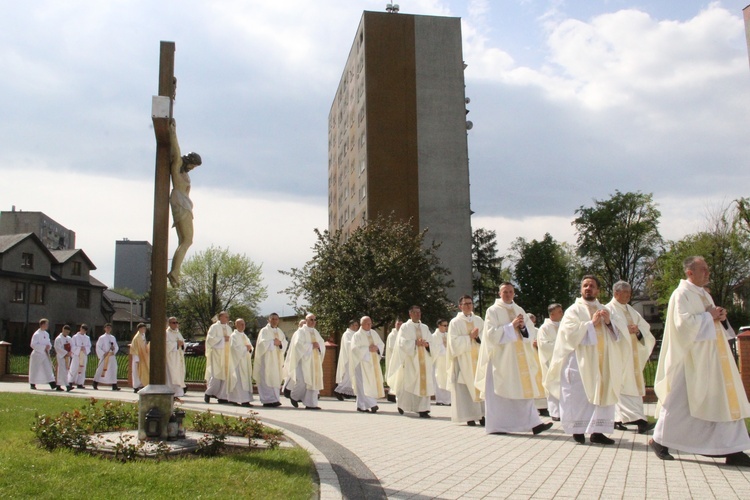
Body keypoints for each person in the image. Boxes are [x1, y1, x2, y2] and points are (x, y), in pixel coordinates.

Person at [650, 256, 750, 466]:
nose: (708, 273)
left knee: (724, 401)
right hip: (691, 360)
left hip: (714, 358)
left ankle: (732, 449)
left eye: (707, 269)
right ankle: (659, 440)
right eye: (703, 269)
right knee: (679, 401)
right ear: (690, 273)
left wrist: (720, 316)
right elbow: (682, 325)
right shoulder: (681, 294)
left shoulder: (704, 294)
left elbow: (710, 320)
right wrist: (709, 316)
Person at [544, 275, 625, 445]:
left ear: (598, 290)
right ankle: (577, 429)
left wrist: (609, 322)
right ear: (581, 289)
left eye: (592, 286)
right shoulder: (574, 310)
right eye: (585, 286)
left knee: (603, 394)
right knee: (579, 396)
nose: (588, 288)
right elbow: (568, 334)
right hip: (580, 361)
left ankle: (598, 431)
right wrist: (590, 324)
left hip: (602, 361)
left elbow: (620, 334)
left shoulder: (605, 309)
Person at [475, 283, 551, 436]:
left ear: (514, 293)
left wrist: (522, 327)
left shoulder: (519, 309)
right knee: (501, 393)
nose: (508, 294)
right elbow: (490, 334)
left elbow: (529, 330)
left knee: (523, 389)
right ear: (499, 293)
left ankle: (534, 423)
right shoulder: (493, 310)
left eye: (510, 292)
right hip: (501, 359)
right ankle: (497, 426)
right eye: (505, 292)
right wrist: (511, 326)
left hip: (519, 358)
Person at [606, 281, 656, 434]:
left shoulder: (631, 310)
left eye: (629, 293)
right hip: (618, 355)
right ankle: (639, 420)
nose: (628, 296)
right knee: (622, 386)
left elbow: (645, 327)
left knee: (629, 385)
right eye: (625, 293)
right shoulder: (608, 310)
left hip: (632, 356)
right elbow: (607, 331)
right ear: (616, 293)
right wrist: (625, 331)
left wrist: (638, 331)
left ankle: (618, 419)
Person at [167, 118, 202, 288]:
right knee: (187, 240)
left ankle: (175, 270)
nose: (193, 168)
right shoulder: (178, 165)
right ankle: (174, 271)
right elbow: (176, 149)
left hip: (183, 202)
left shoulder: (184, 171)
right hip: (180, 202)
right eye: (193, 165)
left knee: (184, 239)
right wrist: (173, 132)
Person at [387, 306, 436, 418]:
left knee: (423, 384)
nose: (418, 314)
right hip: (410, 361)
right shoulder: (405, 327)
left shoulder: (425, 327)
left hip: (424, 361)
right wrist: (415, 343)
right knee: (408, 384)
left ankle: (423, 409)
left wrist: (427, 345)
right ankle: (403, 405)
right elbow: (401, 343)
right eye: (415, 312)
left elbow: (432, 342)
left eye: (419, 312)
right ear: (410, 314)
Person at [447, 295, 484, 426]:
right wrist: (469, 337)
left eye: (470, 303)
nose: (468, 306)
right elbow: (453, 343)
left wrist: (477, 337)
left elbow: (485, 338)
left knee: (480, 385)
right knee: (465, 389)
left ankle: (483, 415)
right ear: (460, 306)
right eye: (465, 304)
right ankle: (469, 416)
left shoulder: (479, 320)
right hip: (463, 361)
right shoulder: (455, 322)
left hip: (478, 358)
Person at [283, 313, 326, 409]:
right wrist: (311, 346)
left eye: (314, 320)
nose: (313, 322)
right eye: (311, 319)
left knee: (313, 382)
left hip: (314, 362)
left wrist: (319, 346)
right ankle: (294, 397)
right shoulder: (301, 332)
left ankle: (311, 404)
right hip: (302, 362)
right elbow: (298, 344)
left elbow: (321, 343)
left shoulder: (315, 332)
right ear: (306, 321)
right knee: (302, 381)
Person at [350, 316, 385, 413]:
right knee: (362, 385)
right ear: (362, 324)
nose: (370, 325)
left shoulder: (373, 333)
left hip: (372, 364)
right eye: (367, 324)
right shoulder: (357, 335)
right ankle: (372, 404)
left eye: (370, 323)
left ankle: (361, 406)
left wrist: (377, 348)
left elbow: (381, 344)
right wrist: (368, 349)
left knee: (369, 384)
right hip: (361, 363)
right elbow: (354, 349)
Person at [254, 313, 288, 407]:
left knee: (275, 377)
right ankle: (267, 400)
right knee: (266, 377)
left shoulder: (280, 331)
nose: (274, 321)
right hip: (267, 360)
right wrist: (273, 342)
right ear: (268, 320)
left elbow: (284, 343)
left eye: (276, 319)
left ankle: (275, 399)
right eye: (272, 319)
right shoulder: (264, 331)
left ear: (278, 320)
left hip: (276, 360)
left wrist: (280, 343)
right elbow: (261, 344)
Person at [535, 304, 563, 421]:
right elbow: (544, 345)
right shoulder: (544, 328)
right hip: (550, 361)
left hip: (563, 360)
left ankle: (563, 411)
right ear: (552, 314)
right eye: (560, 312)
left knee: (563, 386)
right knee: (552, 385)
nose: (562, 313)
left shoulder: (563, 325)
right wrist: (561, 346)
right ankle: (555, 412)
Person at [204, 312, 232, 404]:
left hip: (227, 354)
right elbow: (210, 340)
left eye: (228, 317)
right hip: (217, 354)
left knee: (226, 375)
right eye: (226, 317)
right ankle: (208, 393)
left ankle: (222, 396)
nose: (227, 318)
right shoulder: (214, 327)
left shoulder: (229, 328)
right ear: (220, 317)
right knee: (216, 375)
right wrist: (222, 339)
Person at [227, 318, 254, 407]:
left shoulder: (244, 336)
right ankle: (237, 399)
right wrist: (246, 348)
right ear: (236, 325)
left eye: (244, 324)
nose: (243, 326)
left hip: (245, 361)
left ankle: (245, 399)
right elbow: (234, 349)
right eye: (240, 324)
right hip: (237, 363)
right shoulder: (234, 336)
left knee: (244, 380)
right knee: (238, 381)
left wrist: (249, 349)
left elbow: (250, 346)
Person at [334, 319, 359, 401]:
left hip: (355, 358)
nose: (357, 327)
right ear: (351, 325)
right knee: (348, 376)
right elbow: (348, 344)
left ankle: (354, 393)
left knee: (353, 376)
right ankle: (339, 391)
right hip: (348, 359)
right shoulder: (347, 334)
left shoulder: (355, 334)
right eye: (355, 325)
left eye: (357, 325)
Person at [29, 318, 57, 390]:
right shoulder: (36, 334)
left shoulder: (46, 334)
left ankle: (52, 383)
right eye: (46, 324)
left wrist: (48, 346)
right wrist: (43, 347)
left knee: (48, 368)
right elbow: (33, 345)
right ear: (42, 324)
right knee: (35, 369)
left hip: (45, 354)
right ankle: (32, 383)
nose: (47, 325)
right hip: (37, 354)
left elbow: (48, 343)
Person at [93, 323, 120, 391]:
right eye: (107, 328)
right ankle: (95, 383)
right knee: (100, 369)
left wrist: (114, 349)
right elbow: (98, 347)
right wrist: (103, 353)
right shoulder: (102, 338)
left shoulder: (113, 337)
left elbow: (116, 346)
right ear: (105, 329)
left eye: (109, 328)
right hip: (105, 356)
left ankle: (114, 385)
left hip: (111, 356)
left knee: (113, 369)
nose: (108, 329)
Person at [431, 319, 451, 406]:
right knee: (438, 379)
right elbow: (433, 349)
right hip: (439, 361)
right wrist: (442, 347)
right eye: (444, 325)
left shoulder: (448, 335)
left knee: (448, 379)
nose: (446, 327)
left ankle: (448, 400)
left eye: (447, 325)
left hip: (447, 360)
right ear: (439, 326)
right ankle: (440, 400)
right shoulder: (434, 336)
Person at [166, 317, 186, 398]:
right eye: (173, 322)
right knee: (172, 375)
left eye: (177, 322)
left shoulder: (178, 332)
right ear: (169, 323)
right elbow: (166, 345)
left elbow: (183, 343)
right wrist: (176, 344)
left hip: (178, 357)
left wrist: (182, 344)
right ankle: (171, 392)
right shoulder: (166, 333)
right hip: (171, 358)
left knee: (179, 373)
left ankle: (178, 392)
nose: (176, 324)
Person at [384, 318, 403, 403]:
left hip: (401, 359)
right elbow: (392, 347)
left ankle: (398, 395)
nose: (399, 325)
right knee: (394, 376)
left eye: (401, 324)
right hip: (394, 359)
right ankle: (392, 395)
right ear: (395, 324)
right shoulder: (392, 335)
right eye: (398, 324)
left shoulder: (403, 333)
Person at [68, 324, 91, 388]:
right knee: (74, 368)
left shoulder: (87, 338)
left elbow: (89, 346)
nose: (83, 331)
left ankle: (80, 383)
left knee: (82, 369)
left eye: (84, 330)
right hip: (77, 355)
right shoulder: (75, 337)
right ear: (80, 329)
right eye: (82, 329)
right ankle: (70, 381)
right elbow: (72, 346)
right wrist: (79, 348)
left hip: (83, 355)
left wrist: (85, 348)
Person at [53, 325, 74, 392]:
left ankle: (58, 385)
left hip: (67, 357)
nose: (66, 333)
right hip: (61, 356)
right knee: (63, 370)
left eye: (68, 332)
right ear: (63, 330)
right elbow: (57, 348)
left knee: (64, 370)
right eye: (65, 331)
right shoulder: (58, 339)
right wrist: (65, 353)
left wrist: (70, 352)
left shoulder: (69, 338)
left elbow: (72, 346)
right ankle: (67, 385)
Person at [130, 323, 150, 393]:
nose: (144, 330)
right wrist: (136, 359)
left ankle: (142, 384)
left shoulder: (143, 336)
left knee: (143, 371)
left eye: (145, 328)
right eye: (143, 328)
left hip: (143, 357)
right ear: (139, 329)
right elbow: (134, 348)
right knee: (136, 372)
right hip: (138, 358)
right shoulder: (137, 338)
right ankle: (136, 386)